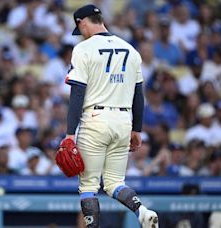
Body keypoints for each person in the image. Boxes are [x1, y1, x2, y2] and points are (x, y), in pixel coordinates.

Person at [63, 4, 158, 228]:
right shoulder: (130, 49)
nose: (81, 33)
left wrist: (69, 134)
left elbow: (77, 93)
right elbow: (138, 95)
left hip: (95, 119)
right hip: (123, 121)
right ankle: (142, 210)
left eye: (80, 28)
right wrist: (137, 129)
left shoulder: (83, 49)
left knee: (88, 186)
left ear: (82, 22)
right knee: (115, 182)